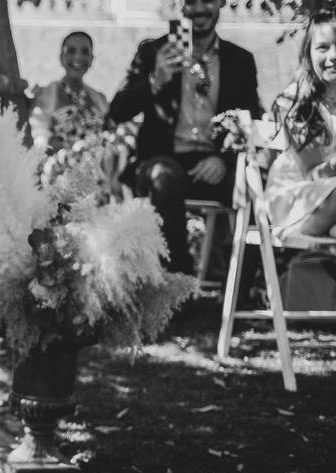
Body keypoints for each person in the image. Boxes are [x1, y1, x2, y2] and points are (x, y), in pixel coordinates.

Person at [108, 0, 262, 275]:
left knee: (253, 184)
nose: (199, 9)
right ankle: (179, 281)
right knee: (164, 176)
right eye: (191, 2)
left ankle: (239, 288)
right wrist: (156, 79)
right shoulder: (153, 52)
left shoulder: (240, 61)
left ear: (221, 3)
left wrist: (224, 159)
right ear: (180, 6)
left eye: (208, 1)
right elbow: (117, 111)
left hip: (213, 163)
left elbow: (250, 120)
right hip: (160, 163)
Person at [265, 5, 336, 358]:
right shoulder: (295, 101)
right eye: (323, 47)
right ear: (308, 52)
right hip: (297, 202)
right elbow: (313, 174)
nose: (334, 56)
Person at [29, 31, 108, 153]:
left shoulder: (100, 99)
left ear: (91, 59)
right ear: (61, 57)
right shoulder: (45, 95)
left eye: (85, 52)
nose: (78, 57)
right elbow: (40, 136)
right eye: (71, 51)